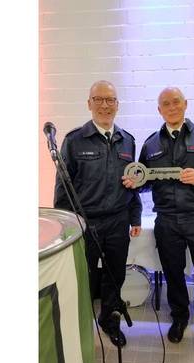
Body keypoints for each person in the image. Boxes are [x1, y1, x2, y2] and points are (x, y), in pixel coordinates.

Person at [123, 87, 194, 354]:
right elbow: (145, 180)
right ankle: (180, 318)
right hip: (167, 219)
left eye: (176, 102)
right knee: (173, 273)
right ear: (159, 110)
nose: (171, 107)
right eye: (165, 104)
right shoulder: (150, 144)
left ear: (185, 104)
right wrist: (135, 183)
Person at [54, 80, 142, 347]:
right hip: (86, 222)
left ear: (117, 105)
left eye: (110, 100)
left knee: (115, 274)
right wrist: (64, 225)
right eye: (99, 99)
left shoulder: (127, 140)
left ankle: (109, 319)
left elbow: (133, 182)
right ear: (89, 103)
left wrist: (135, 216)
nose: (105, 105)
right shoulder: (74, 141)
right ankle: (79, 322)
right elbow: (63, 187)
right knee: (85, 275)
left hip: (117, 221)